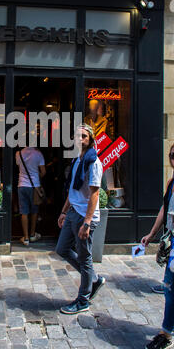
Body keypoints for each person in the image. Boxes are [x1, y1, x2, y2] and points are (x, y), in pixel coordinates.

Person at [55, 123, 105, 314]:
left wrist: (87, 222)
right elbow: (73, 190)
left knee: (85, 259)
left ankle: (83, 300)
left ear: (90, 139)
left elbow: (94, 194)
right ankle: (94, 278)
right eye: (77, 136)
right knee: (62, 249)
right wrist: (63, 211)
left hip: (85, 216)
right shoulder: (77, 160)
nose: (80, 139)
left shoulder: (94, 162)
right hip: (73, 212)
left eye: (83, 136)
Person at [142, 135, 174, 349]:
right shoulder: (171, 182)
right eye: (173, 155)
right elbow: (164, 210)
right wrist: (151, 233)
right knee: (171, 287)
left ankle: (165, 334)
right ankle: (166, 331)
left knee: (171, 287)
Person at [16, 146, 46, 246]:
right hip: (34, 186)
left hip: (22, 185)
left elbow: (18, 166)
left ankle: (26, 238)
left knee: (23, 212)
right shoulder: (38, 154)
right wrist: (36, 177)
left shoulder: (18, 153)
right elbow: (43, 172)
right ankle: (32, 234)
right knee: (34, 211)